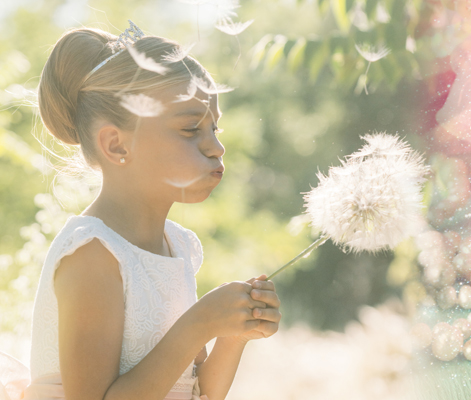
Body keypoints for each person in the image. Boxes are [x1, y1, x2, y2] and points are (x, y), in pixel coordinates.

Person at [2, 22, 281, 400]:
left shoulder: (177, 246)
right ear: (116, 145)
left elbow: (196, 392)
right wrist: (199, 324)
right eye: (190, 129)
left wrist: (232, 335)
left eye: (215, 128)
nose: (216, 147)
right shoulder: (94, 252)